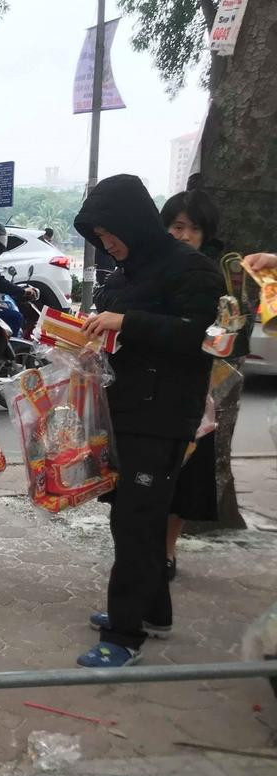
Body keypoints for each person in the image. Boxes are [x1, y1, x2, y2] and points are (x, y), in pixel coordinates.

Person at [74, 174, 223, 668]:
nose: (105, 243)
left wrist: (125, 323)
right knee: (139, 516)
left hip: (163, 417)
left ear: (131, 222)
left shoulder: (192, 270)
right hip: (127, 412)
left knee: (136, 522)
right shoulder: (131, 272)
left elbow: (202, 337)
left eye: (109, 233)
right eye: (97, 238)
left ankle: (124, 635)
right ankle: (153, 611)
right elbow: (119, 330)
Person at [157, 190, 234, 579]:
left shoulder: (216, 275)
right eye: (177, 226)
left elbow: (227, 335)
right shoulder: (149, 269)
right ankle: (143, 553)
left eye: (193, 228)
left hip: (193, 394)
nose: (184, 235)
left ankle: (167, 553)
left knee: (183, 481)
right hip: (148, 392)